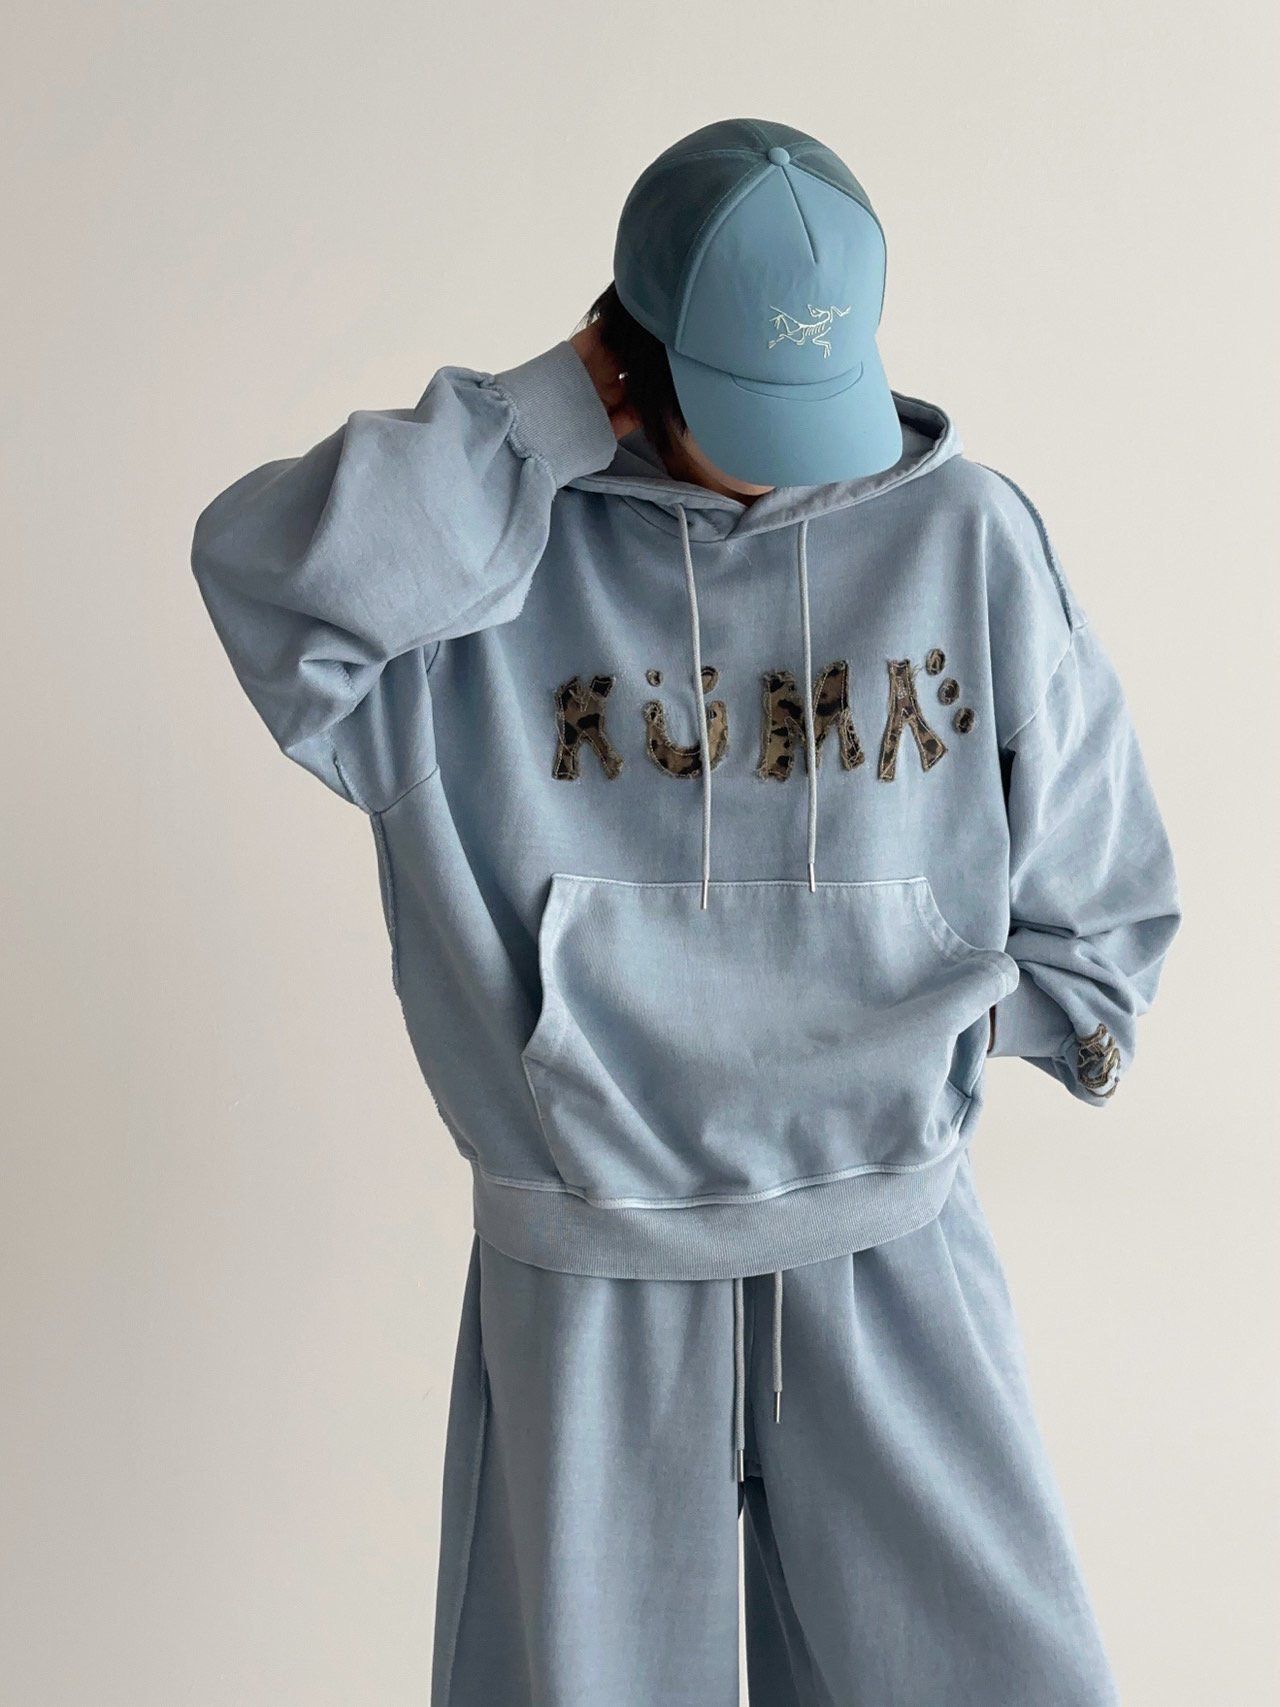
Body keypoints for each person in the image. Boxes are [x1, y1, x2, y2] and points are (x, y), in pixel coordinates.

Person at [191, 118, 1180, 1704]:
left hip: (889, 1244)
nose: (794, 456)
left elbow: (1105, 898)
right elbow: (263, 578)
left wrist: (935, 1025)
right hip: (587, 1255)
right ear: (630, 366)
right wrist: (537, 416)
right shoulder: (474, 577)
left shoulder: (964, 536)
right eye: (745, 408)